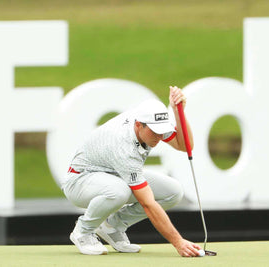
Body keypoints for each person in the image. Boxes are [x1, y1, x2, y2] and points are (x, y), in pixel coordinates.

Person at [61, 86, 202, 257]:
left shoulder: (151, 122)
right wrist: (178, 242)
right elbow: (148, 204)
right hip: (80, 181)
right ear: (138, 125)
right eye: (155, 132)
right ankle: (83, 231)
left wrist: (178, 111)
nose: (159, 137)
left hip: (113, 174)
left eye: (162, 131)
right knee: (118, 192)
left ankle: (112, 227)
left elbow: (185, 145)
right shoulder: (123, 147)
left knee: (173, 192)